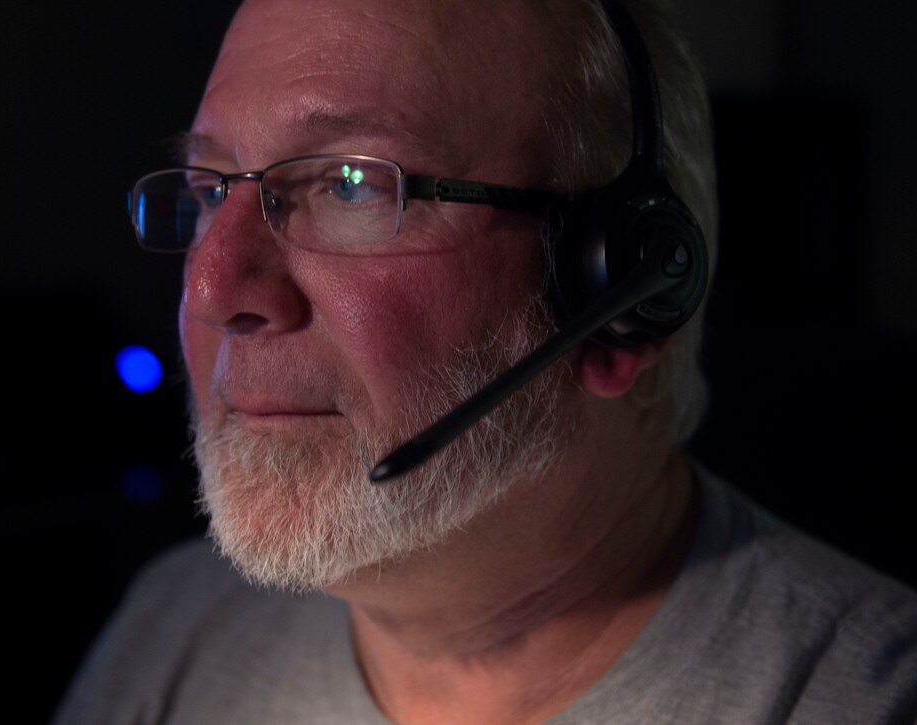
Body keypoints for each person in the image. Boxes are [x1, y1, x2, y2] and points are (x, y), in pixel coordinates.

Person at [54, 0, 917, 722]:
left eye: (351, 183)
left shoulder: (864, 695)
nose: (211, 287)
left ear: (621, 294)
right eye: (209, 191)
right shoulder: (172, 626)